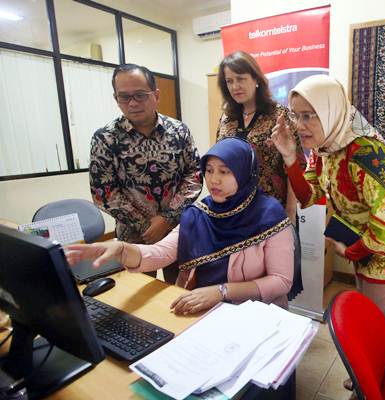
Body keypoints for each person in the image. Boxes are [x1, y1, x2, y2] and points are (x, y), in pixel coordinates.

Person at [271, 75, 385, 378]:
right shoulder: (325, 146)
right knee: (367, 318)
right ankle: (364, 374)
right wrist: (291, 157)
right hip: (364, 244)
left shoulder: (367, 155)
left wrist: (350, 251)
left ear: (330, 112)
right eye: (294, 115)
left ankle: (373, 384)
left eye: (307, 116)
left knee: (380, 328)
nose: (298, 125)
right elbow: (309, 196)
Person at [69, 137, 294, 313]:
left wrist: (222, 292)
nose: (213, 180)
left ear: (246, 174)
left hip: (256, 314)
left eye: (224, 172)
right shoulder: (200, 214)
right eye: (209, 170)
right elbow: (161, 253)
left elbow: (280, 281)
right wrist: (122, 249)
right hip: (203, 309)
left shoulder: (268, 215)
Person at [89, 63, 202, 283]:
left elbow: (194, 174)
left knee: (181, 293)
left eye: (140, 95)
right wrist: (147, 226)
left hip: (178, 232)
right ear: (116, 99)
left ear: (156, 95)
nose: (132, 103)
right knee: (136, 302)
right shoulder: (105, 139)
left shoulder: (179, 131)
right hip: (132, 239)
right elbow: (104, 193)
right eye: (124, 97)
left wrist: (167, 219)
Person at [216, 51, 305, 223]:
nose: (235, 86)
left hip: (272, 212)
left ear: (256, 79)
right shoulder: (226, 118)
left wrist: (290, 210)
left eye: (241, 79)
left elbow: (296, 164)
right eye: (229, 81)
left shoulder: (280, 116)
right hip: (233, 213)